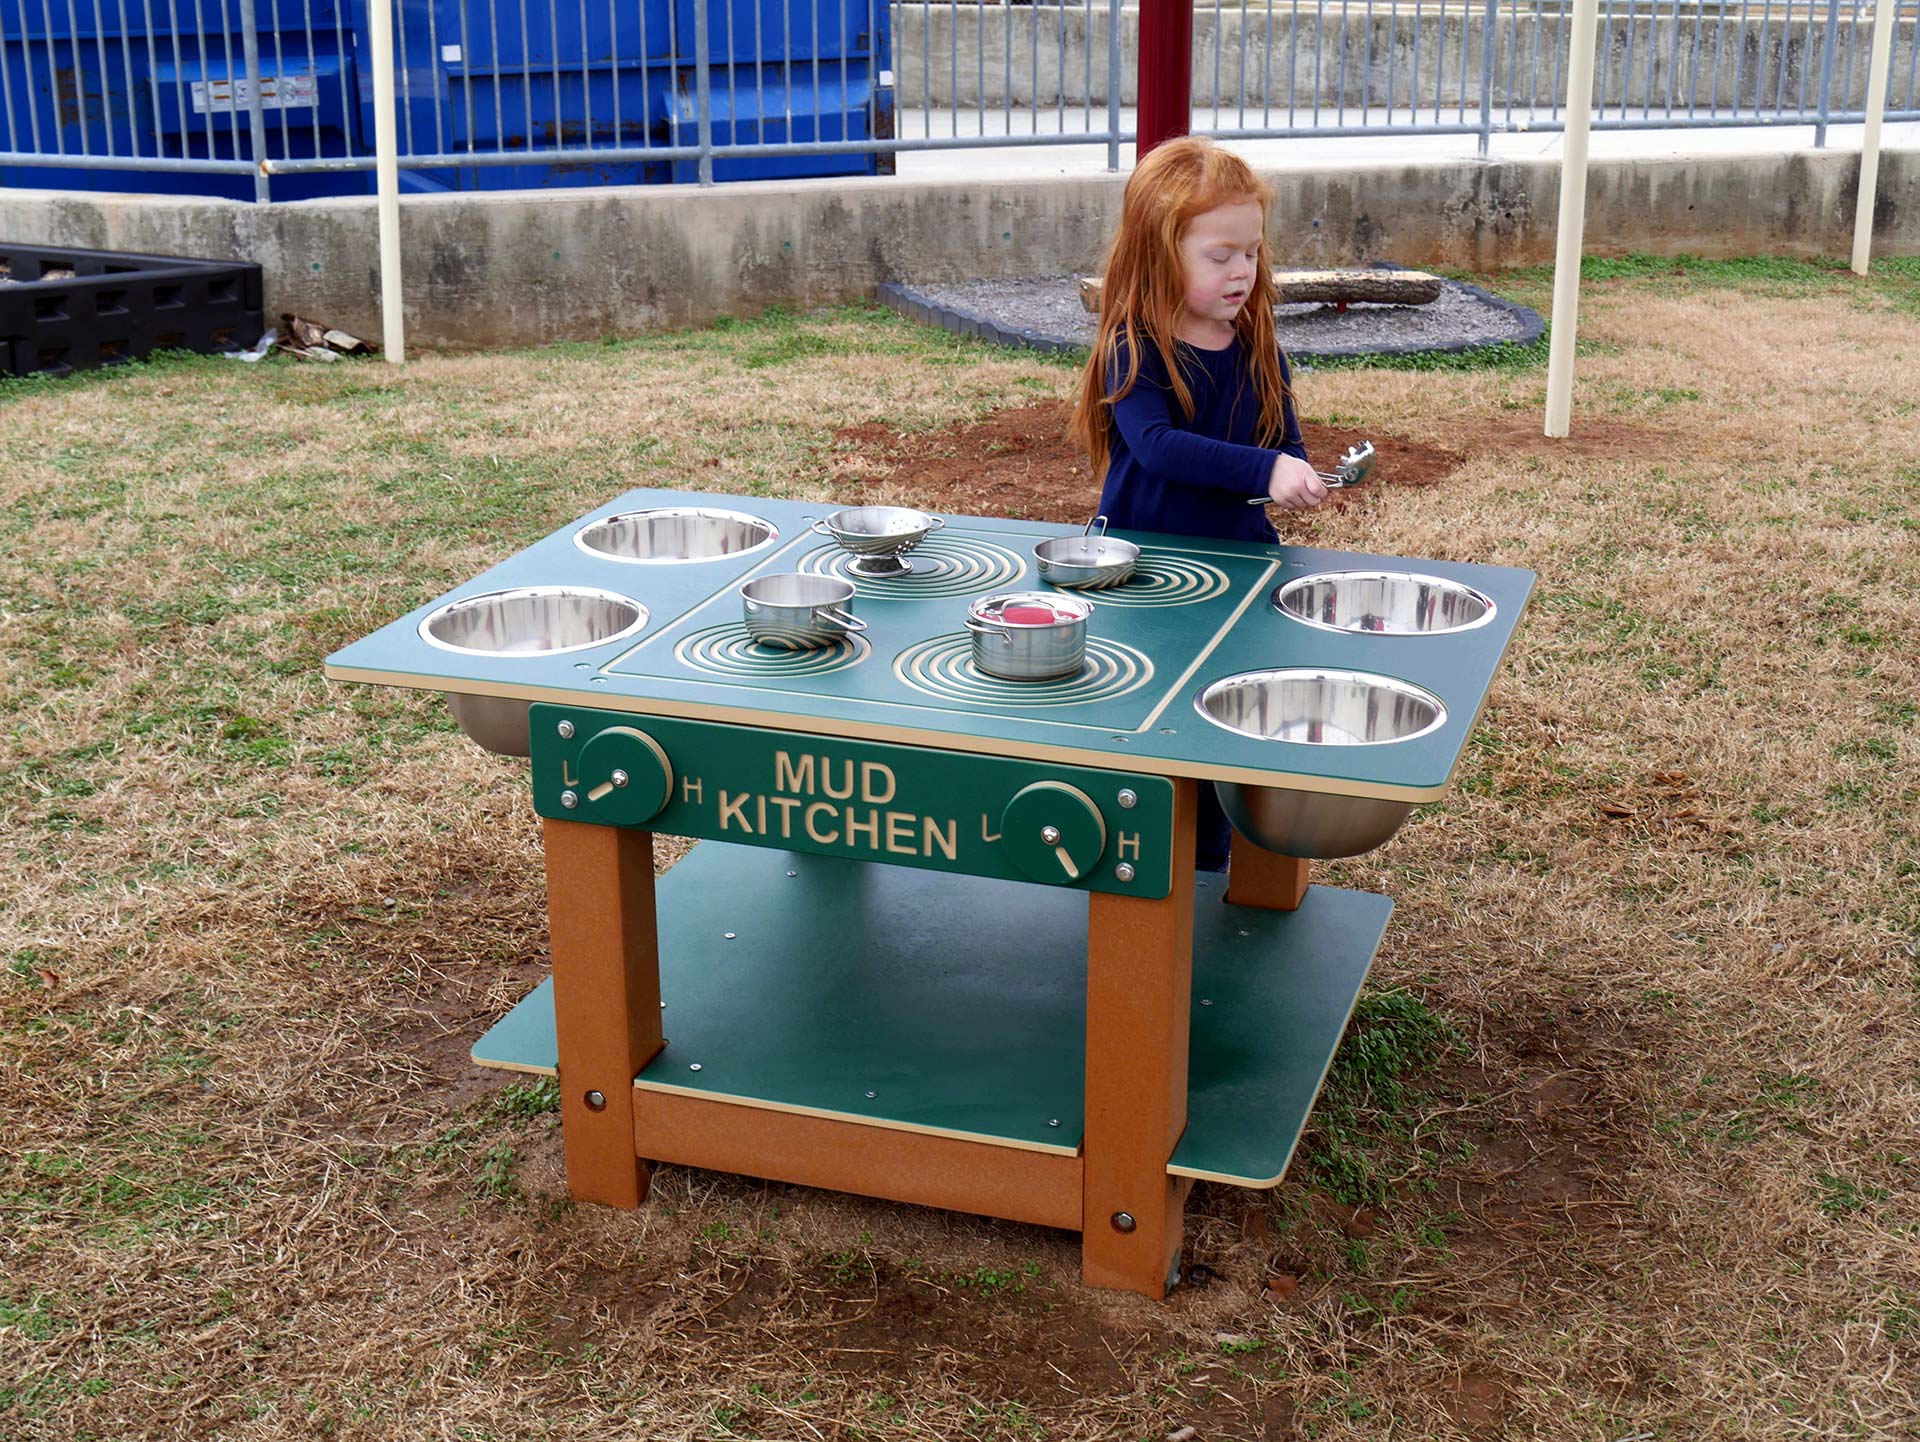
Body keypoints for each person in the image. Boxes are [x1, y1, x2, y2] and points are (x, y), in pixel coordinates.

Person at [1068, 135, 1327, 872]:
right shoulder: (1134, 344)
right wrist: (1265, 465)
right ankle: (1141, 868)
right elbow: (1156, 446)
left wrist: (1298, 473)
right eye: (1220, 255)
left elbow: (1286, 439)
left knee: (1233, 724)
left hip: (1239, 571)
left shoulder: (1257, 346)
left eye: (1251, 251)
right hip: (1141, 576)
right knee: (1149, 732)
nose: (1242, 270)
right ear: (1160, 255)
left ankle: (1219, 872)